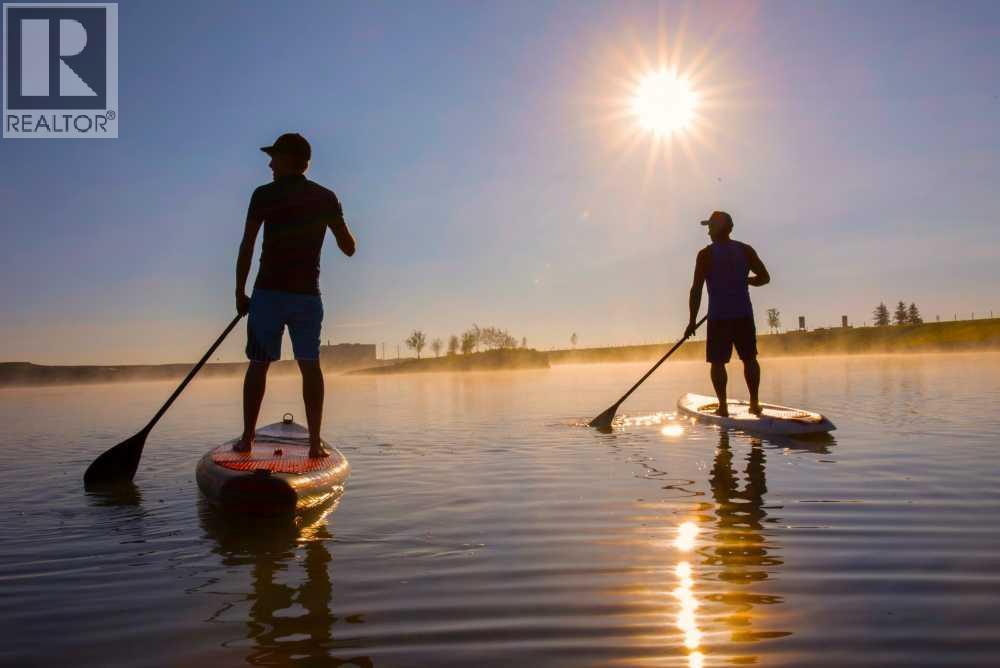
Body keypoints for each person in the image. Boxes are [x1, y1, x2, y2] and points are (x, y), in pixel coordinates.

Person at [234, 133, 356, 457]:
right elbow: (349, 248)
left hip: (268, 294)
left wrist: (239, 292)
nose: (270, 164)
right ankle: (315, 444)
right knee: (310, 366)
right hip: (306, 298)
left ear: (289, 160)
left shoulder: (263, 195)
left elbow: (247, 245)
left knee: (258, 365)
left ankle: (247, 440)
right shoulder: (326, 197)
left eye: (274, 157)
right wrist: (333, 218)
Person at [685, 211, 769, 416]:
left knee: (717, 363)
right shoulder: (745, 250)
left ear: (720, 228)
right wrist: (746, 280)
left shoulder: (705, 255)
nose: (708, 232)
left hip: (719, 317)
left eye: (711, 227)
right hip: (743, 315)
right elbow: (764, 278)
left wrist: (692, 321)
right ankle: (754, 404)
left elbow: (696, 289)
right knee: (749, 359)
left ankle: (723, 407)